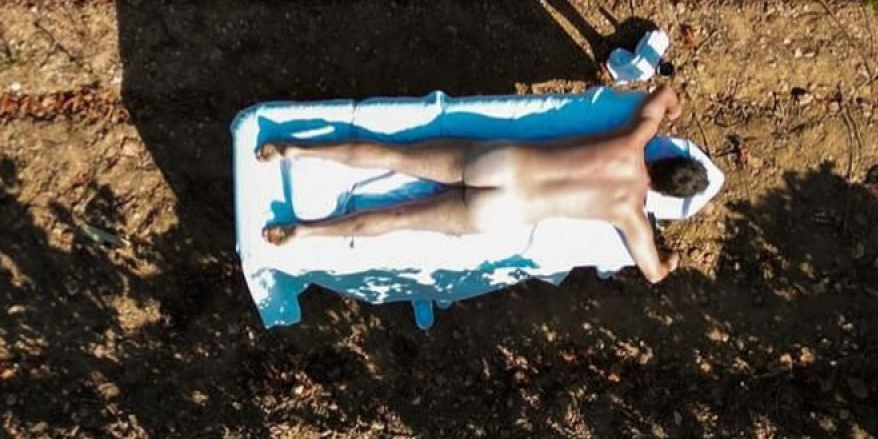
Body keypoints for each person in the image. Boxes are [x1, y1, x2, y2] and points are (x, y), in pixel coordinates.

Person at [259, 80, 704, 282]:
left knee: (397, 155)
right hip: (503, 212)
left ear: (665, 156)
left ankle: (294, 150)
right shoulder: (630, 215)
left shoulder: (633, 140)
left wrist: (676, 110)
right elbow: (653, 273)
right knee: (396, 218)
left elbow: (662, 94)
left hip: (503, 163)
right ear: (663, 194)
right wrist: (671, 259)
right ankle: (304, 232)